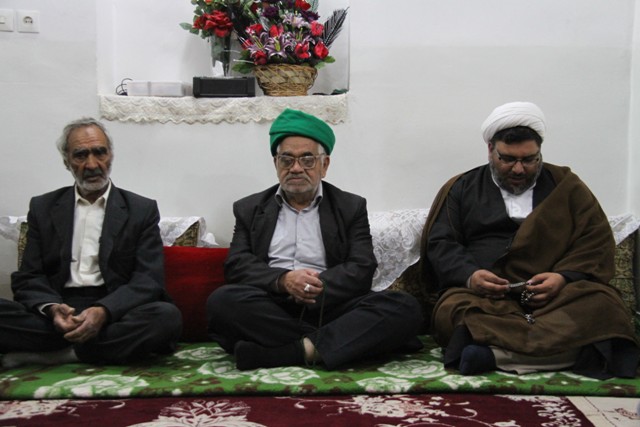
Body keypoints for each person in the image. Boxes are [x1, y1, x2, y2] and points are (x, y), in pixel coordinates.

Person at [422, 101, 639, 379]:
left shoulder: (566, 186)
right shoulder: (462, 187)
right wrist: (471, 276)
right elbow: (442, 243)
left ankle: (495, 356)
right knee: (453, 312)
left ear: (540, 152)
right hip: (486, 298)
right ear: (490, 149)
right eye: (508, 159)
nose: (518, 169)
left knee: (604, 306)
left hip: (557, 297)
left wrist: (563, 277)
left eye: (529, 160)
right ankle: (569, 354)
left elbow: (595, 240)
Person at [207, 108, 423, 370]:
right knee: (223, 302)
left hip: (329, 305)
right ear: (276, 164)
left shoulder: (350, 206)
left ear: (325, 165)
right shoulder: (250, 208)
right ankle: (340, 343)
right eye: (287, 159)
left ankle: (286, 353)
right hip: (273, 304)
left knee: (404, 307)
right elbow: (237, 264)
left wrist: (314, 287)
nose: (296, 168)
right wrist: (284, 281)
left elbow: (362, 267)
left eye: (307, 159)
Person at [0, 117, 182, 368]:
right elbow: (29, 276)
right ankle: (93, 348)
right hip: (59, 310)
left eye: (99, 152)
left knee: (165, 318)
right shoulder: (43, 207)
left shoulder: (141, 209)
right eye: (80, 155)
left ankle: (62, 355)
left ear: (111, 156)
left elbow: (148, 280)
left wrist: (103, 311)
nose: (92, 164)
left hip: (114, 309)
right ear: (66, 161)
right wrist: (52, 308)